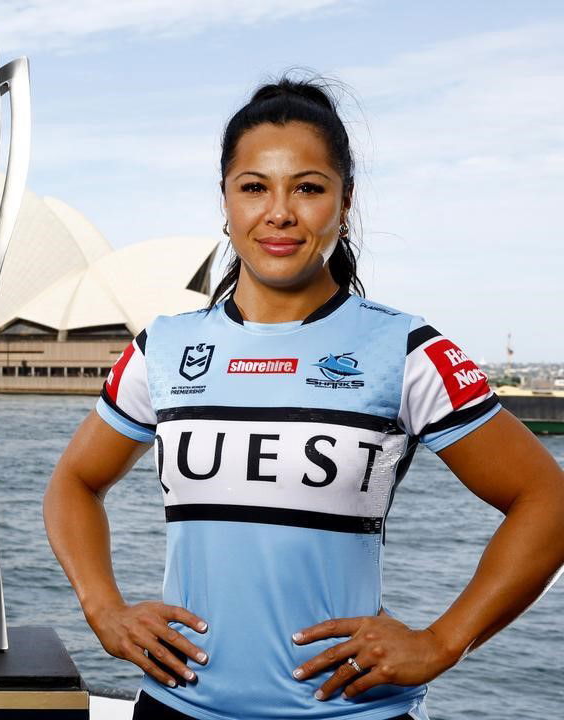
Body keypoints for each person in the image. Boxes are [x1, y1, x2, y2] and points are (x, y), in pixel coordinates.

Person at [43, 77, 564, 720]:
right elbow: (74, 482)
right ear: (226, 200)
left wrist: (443, 641)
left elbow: (548, 501)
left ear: (346, 203)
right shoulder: (165, 348)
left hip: (350, 713)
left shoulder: (404, 349)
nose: (279, 213)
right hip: (179, 707)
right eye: (254, 187)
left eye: (308, 188)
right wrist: (104, 608)